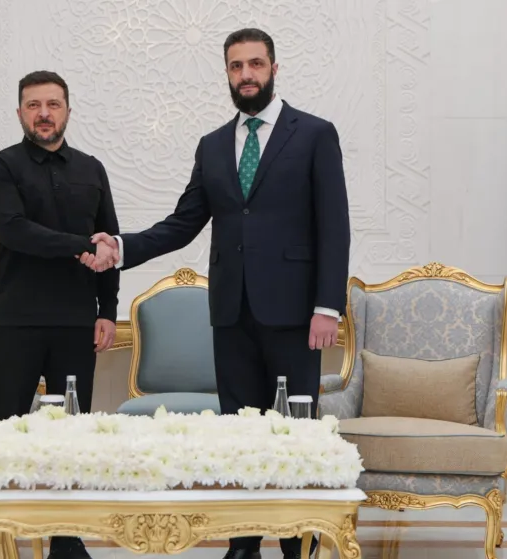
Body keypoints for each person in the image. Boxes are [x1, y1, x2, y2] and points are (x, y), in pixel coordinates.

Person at [81, 28, 349, 559]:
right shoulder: (212, 145)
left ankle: (295, 546)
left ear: (274, 69)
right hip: (230, 313)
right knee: (238, 436)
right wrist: (121, 247)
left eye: (255, 64)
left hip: (296, 315)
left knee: (295, 436)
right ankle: (243, 544)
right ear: (227, 73)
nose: (246, 74)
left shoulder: (316, 134)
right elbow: (182, 223)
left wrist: (327, 306)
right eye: (236, 66)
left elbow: (334, 227)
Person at [0, 70, 119, 559]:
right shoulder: (1, 166)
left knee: (70, 435)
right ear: (20, 112)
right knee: (6, 431)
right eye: (34, 105)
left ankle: (66, 537)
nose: (44, 114)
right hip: (14, 321)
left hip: (76, 323)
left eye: (53, 104)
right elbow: (16, 231)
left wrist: (108, 310)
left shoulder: (92, 168)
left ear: (67, 111)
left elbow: (109, 241)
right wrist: (83, 245)